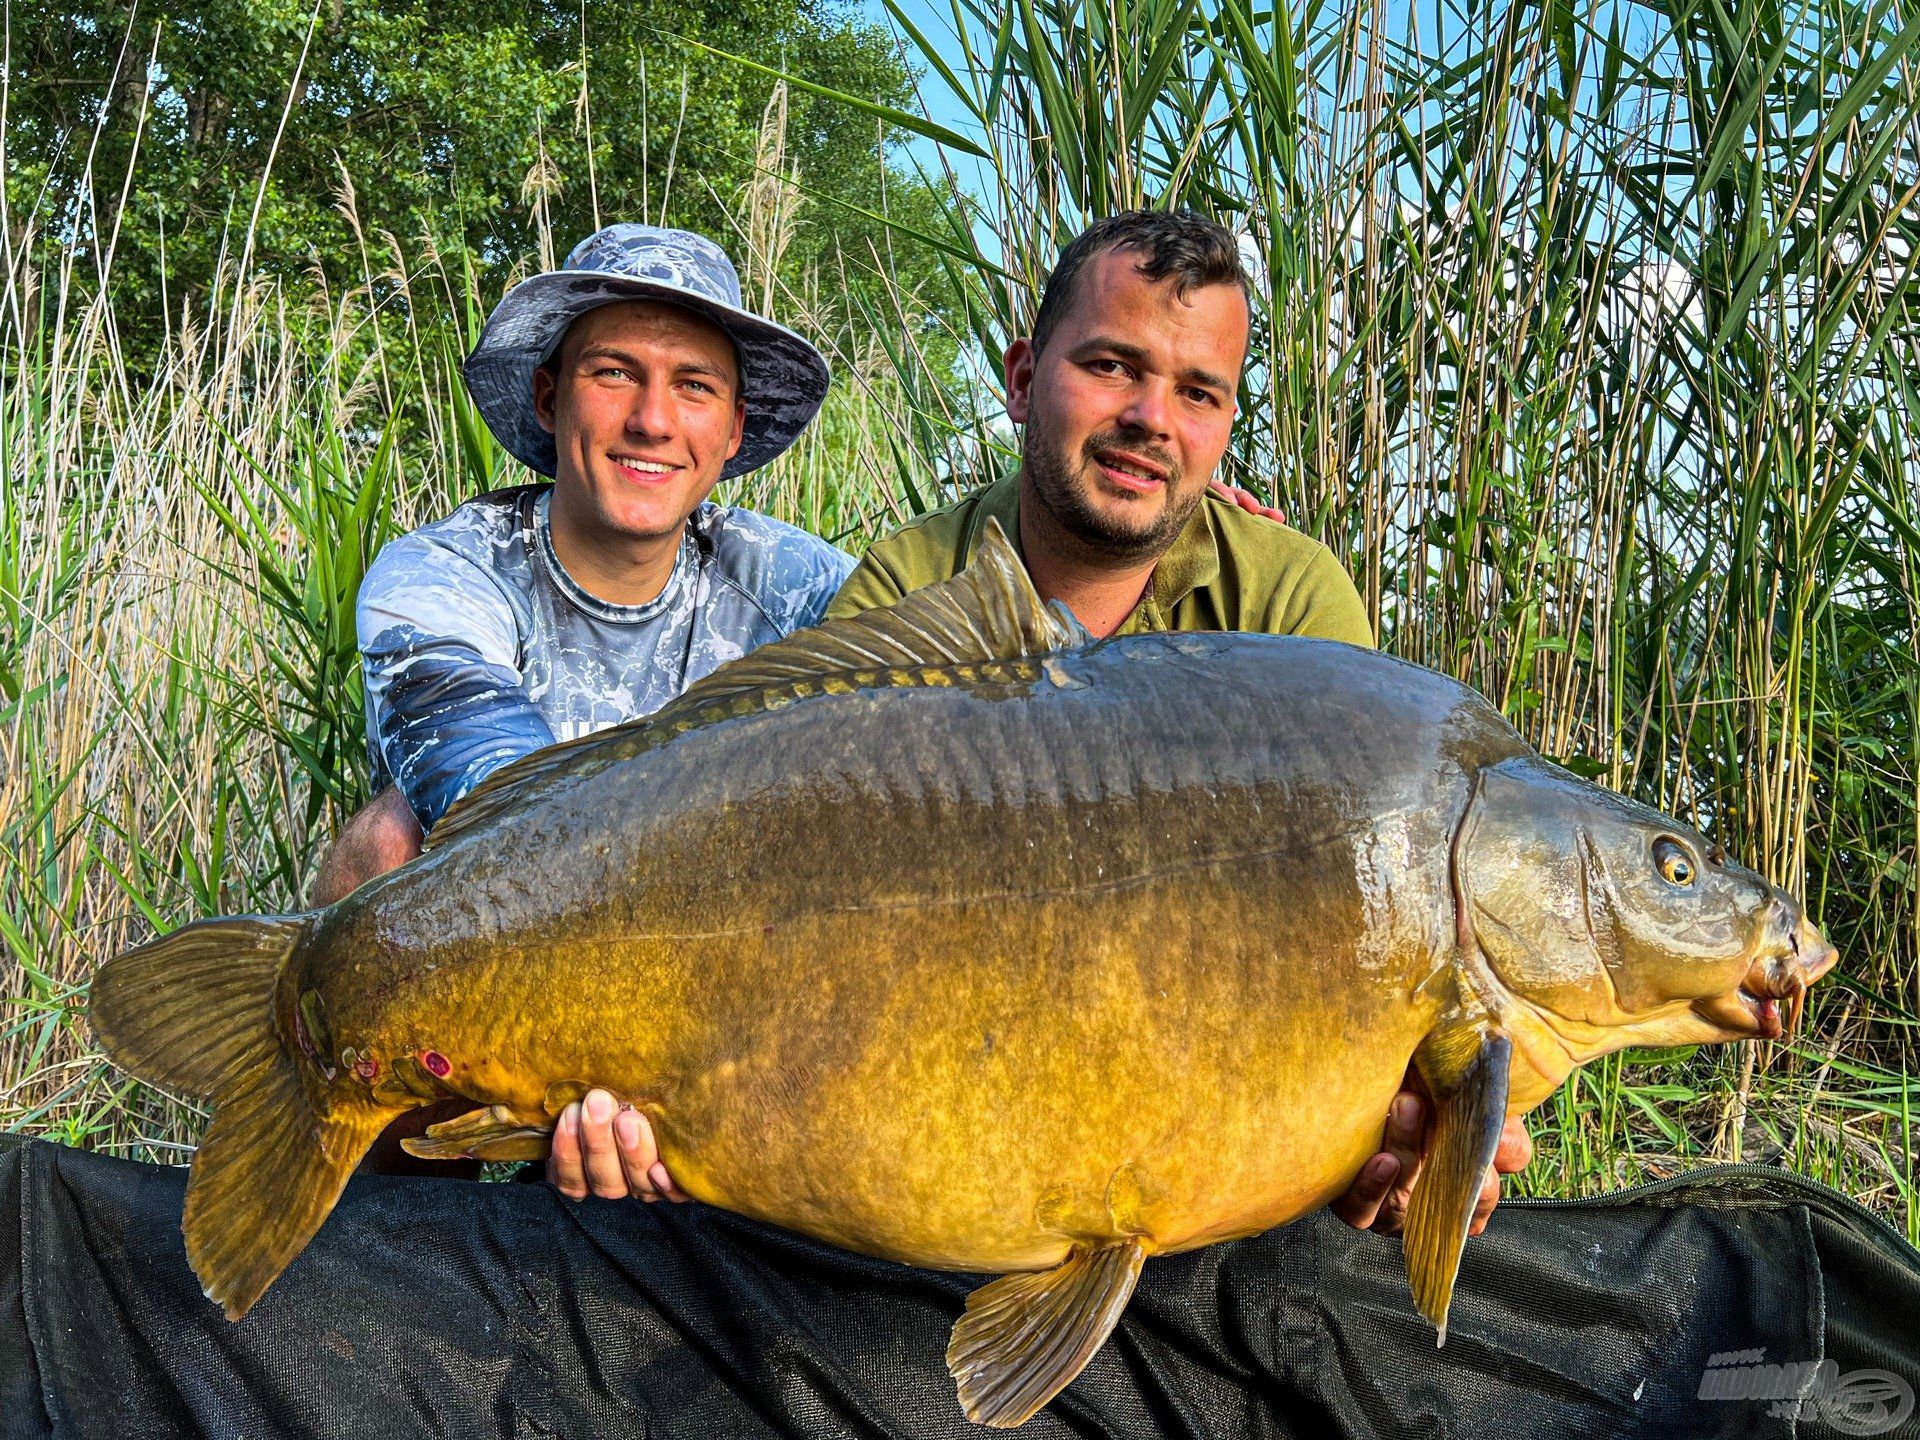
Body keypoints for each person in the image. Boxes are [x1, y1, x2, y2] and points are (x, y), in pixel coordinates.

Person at [552, 210, 1532, 1236]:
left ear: (1225, 423)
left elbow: (1373, 925)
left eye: (1198, 393)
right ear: (1023, 379)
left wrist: (1426, 1131)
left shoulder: (1292, 603)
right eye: (1113, 367)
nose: (1153, 418)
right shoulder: (912, 582)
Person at [314, 222, 857, 1171]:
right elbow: (497, 801)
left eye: (694, 386)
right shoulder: (443, 573)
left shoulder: (800, 584)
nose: (653, 419)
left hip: (728, 993)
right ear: (549, 394)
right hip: (503, 963)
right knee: (388, 845)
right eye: (615, 373)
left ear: (731, 432)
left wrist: (1178, 535)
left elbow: (976, 682)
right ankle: (391, 1231)